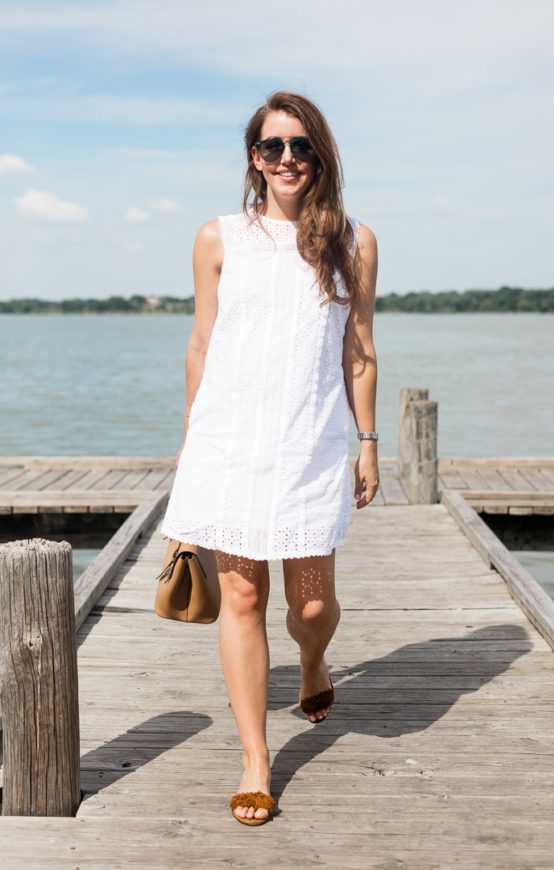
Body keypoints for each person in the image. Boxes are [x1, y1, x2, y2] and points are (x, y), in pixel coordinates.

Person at [161, 91, 379, 826]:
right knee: (244, 597)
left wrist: (369, 442)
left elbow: (360, 353)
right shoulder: (218, 237)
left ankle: (312, 663)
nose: (287, 159)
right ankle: (255, 758)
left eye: (301, 146)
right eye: (271, 147)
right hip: (229, 448)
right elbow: (200, 344)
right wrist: (191, 442)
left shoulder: (353, 240)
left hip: (312, 449)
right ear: (253, 158)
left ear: (321, 155)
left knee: (310, 604)